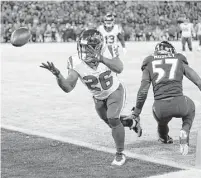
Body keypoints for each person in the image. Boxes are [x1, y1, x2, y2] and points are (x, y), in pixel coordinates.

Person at [40, 29, 141, 166]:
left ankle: (120, 154)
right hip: (98, 97)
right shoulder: (75, 61)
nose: (85, 50)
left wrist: (101, 59)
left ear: (98, 46)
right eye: (83, 47)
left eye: (89, 47)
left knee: (113, 118)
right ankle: (132, 122)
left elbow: (119, 68)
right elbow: (68, 87)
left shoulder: (108, 50)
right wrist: (58, 75)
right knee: (112, 123)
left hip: (114, 91)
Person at [124, 41, 201, 156]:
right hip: (180, 103)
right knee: (191, 107)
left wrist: (136, 112)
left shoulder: (149, 62)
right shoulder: (178, 59)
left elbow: (143, 91)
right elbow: (198, 81)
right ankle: (185, 130)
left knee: (162, 123)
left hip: (159, 108)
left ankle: (164, 138)